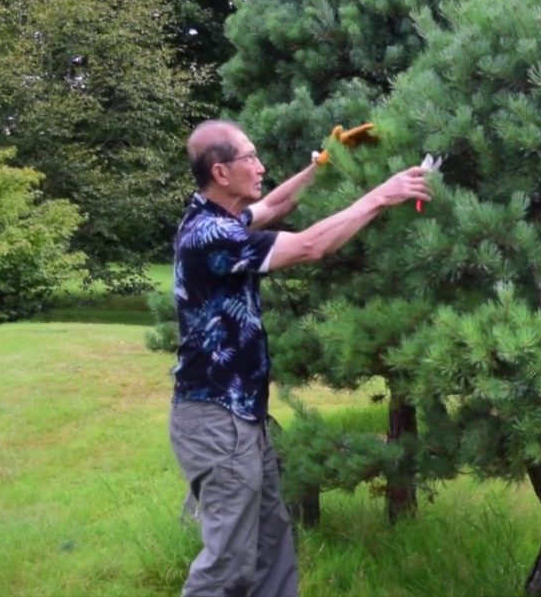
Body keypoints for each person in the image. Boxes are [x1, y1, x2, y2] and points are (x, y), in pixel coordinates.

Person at [168, 119, 431, 596]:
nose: (261, 166)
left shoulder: (220, 217)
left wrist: (321, 166)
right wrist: (380, 196)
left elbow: (274, 205)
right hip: (215, 420)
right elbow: (310, 245)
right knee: (227, 564)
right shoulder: (210, 236)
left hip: (242, 416)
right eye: (251, 157)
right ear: (221, 172)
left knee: (270, 548)